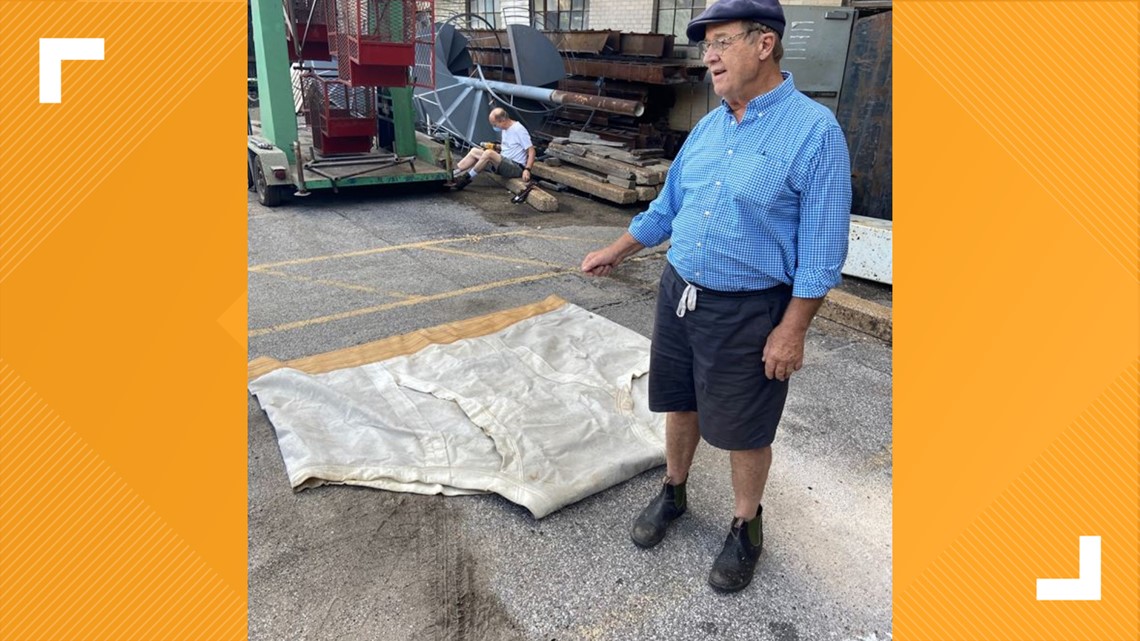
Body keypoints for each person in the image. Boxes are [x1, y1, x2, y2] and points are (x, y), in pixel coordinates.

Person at [580, 0, 851, 593]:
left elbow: (824, 248)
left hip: (751, 308)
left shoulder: (814, 132)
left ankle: (745, 525)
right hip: (681, 293)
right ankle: (674, 492)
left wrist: (792, 328)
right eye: (706, 44)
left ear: (764, 44)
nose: (708, 55)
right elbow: (670, 207)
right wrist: (617, 249)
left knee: (746, 428)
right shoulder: (709, 125)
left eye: (721, 41)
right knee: (680, 402)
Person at [452, 107, 536, 189]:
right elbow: (509, 146)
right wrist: (495, 147)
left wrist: (527, 169)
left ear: (503, 120)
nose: (494, 127)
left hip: (515, 167)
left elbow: (531, 151)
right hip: (504, 162)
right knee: (474, 151)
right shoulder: (505, 129)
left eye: (495, 124)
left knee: (489, 153)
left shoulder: (519, 129)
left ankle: (466, 178)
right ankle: (453, 173)